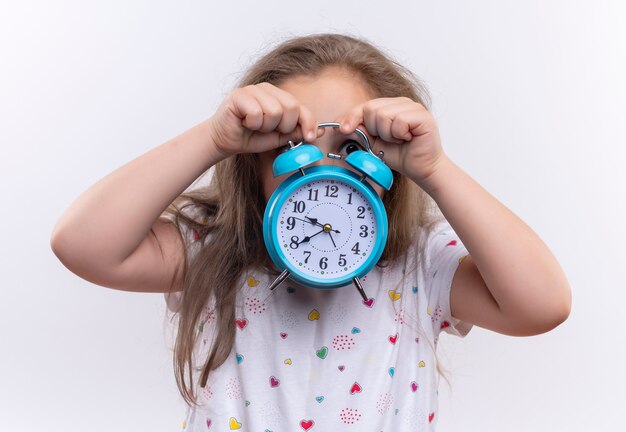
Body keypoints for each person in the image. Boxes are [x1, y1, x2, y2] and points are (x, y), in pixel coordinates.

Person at [50, 33, 571, 431]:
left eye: (350, 149)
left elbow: (543, 304)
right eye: (288, 151)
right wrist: (212, 138)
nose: (322, 173)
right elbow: (81, 244)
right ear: (250, 164)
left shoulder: (420, 264)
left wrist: (436, 169)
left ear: (389, 167)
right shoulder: (213, 251)